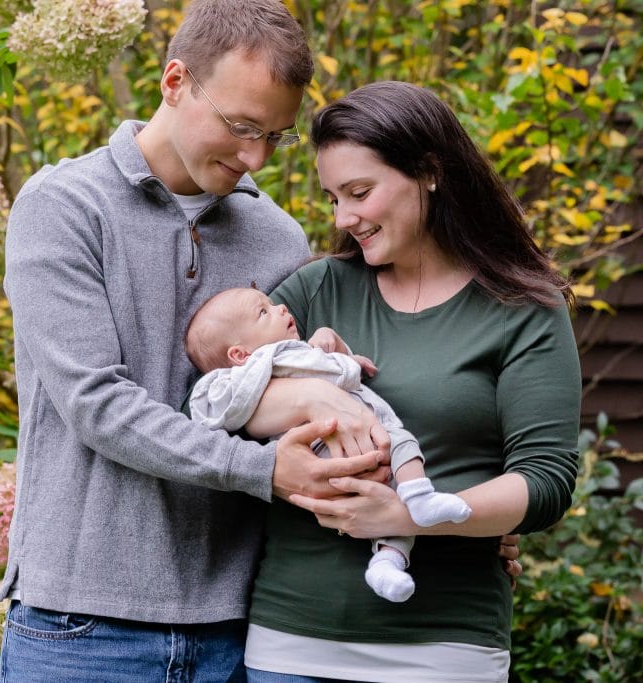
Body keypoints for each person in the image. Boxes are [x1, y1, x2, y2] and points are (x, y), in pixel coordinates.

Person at [0, 1, 397, 680]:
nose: (255, 158)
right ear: (175, 81)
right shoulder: (63, 206)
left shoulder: (278, 237)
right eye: (241, 127)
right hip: (82, 626)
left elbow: (300, 401)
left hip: (240, 628)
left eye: (276, 135)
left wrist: (456, 520)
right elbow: (97, 403)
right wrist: (264, 471)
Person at [240, 81, 581, 682]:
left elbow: (546, 482)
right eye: (333, 198)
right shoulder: (313, 292)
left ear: (428, 172)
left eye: (360, 192)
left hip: (447, 647)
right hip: (291, 642)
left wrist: (413, 515)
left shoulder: (523, 308)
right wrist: (314, 396)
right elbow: (222, 407)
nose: (345, 218)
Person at [185, 286, 472, 603]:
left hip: (365, 444)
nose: (280, 308)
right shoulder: (253, 371)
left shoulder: (292, 351)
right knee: (401, 444)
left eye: (272, 304)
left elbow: (332, 366)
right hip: (326, 451)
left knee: (393, 503)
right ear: (239, 354)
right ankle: (418, 494)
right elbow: (212, 404)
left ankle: (388, 561)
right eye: (263, 312)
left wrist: (332, 343)